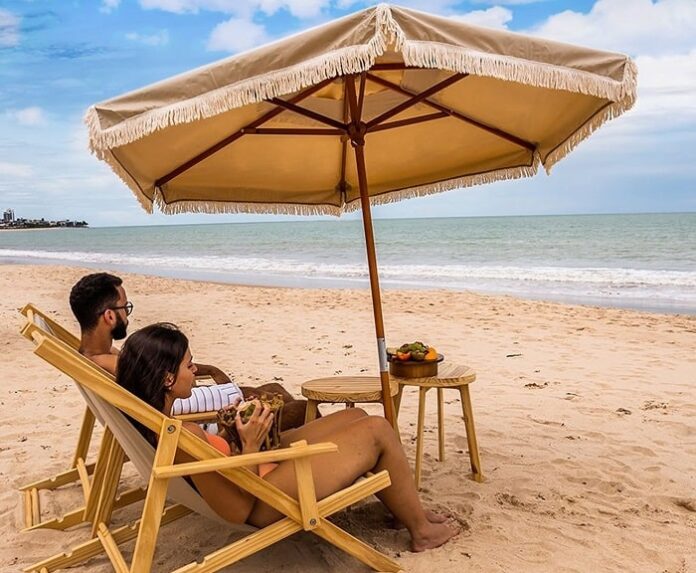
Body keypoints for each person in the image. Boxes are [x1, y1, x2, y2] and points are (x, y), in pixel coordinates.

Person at [116, 323, 458, 552]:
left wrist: (233, 436)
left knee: (356, 417)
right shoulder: (182, 436)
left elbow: (218, 471)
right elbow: (237, 509)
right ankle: (422, 531)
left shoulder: (163, 422)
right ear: (167, 379)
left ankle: (405, 510)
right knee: (377, 430)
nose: (195, 371)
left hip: (257, 474)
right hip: (264, 499)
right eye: (189, 365)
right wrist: (251, 444)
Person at [69, 272, 309, 430]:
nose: (127, 314)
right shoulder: (106, 363)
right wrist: (213, 375)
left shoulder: (94, 356)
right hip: (196, 415)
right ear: (110, 316)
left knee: (276, 390)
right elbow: (167, 381)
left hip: (188, 407)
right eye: (125, 307)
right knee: (301, 410)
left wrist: (210, 371)